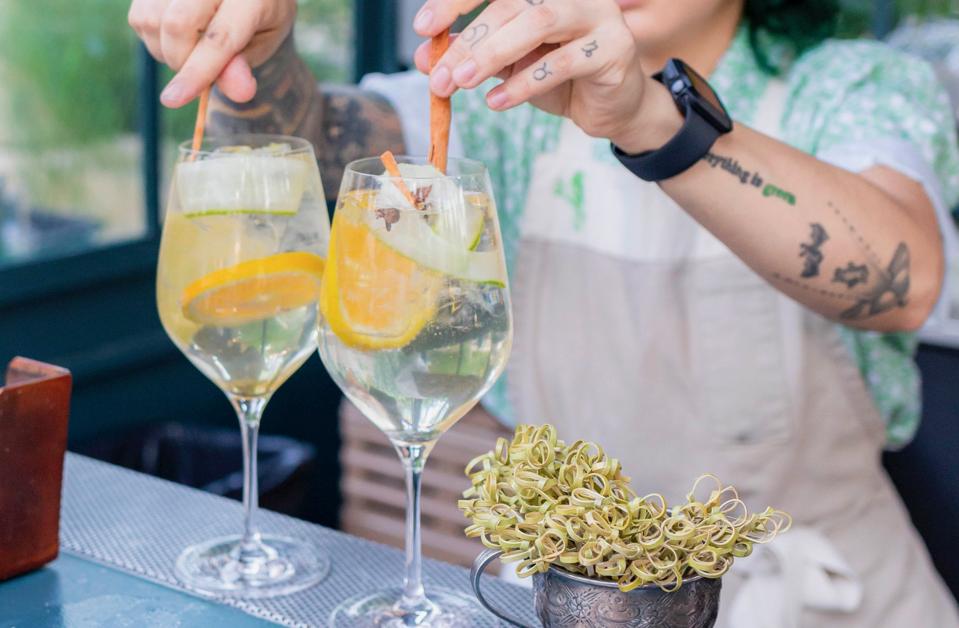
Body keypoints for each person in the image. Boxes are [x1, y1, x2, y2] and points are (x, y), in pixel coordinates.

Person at [129, 0, 959, 625]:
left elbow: (905, 273)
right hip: (576, 603)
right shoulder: (511, 102)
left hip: (827, 603)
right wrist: (261, 60)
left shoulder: (850, 84)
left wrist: (647, 119)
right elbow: (311, 152)